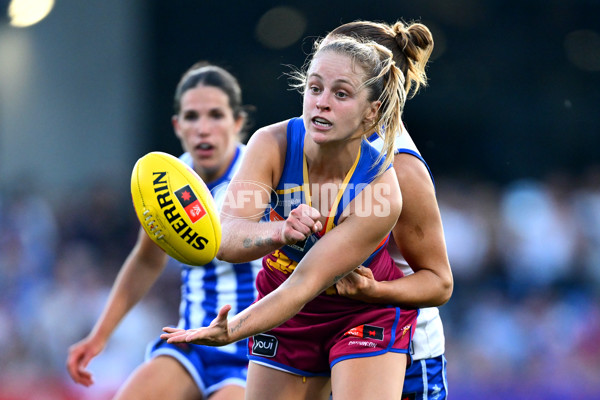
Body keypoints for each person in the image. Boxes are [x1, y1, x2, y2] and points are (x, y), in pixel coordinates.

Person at [162, 35, 418, 400]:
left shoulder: (381, 190)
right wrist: (280, 231)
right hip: (285, 310)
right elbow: (227, 238)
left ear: (371, 113)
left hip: (361, 314)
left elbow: (305, 284)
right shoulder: (271, 144)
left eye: (341, 94)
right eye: (315, 88)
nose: (322, 103)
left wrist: (231, 331)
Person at [66, 62, 262, 400]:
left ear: (238, 122)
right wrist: (100, 336)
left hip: (253, 352)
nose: (203, 129)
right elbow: (146, 260)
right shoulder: (165, 182)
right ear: (177, 125)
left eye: (216, 115)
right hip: (191, 345)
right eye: (191, 116)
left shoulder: (262, 176)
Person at [329, 20, 453, 399]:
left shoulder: (400, 167)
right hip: (333, 337)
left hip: (404, 354)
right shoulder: (320, 140)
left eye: (338, 80)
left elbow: (438, 281)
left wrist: (373, 291)